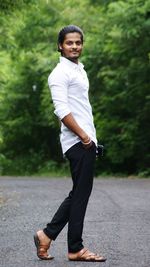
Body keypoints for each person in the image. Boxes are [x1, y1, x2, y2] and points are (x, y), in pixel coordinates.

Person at [33, 25, 106, 262]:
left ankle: (46, 235)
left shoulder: (79, 70)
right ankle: (75, 248)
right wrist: (84, 137)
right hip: (78, 141)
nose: (74, 46)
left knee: (78, 193)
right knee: (80, 194)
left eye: (78, 42)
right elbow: (62, 110)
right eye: (69, 43)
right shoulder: (59, 74)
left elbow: (82, 109)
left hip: (86, 140)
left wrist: (92, 138)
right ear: (60, 46)